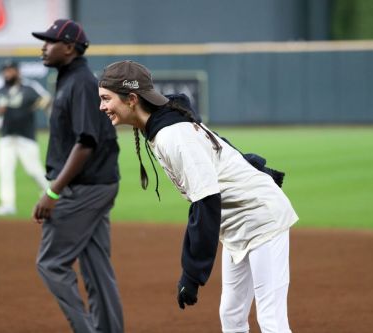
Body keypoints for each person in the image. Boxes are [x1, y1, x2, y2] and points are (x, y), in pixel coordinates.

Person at [98, 60, 299, 333]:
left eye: (106, 98)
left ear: (132, 99)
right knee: (232, 314)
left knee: (271, 320)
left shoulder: (172, 135)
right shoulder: (162, 125)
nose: (102, 106)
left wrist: (191, 274)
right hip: (236, 224)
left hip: (261, 218)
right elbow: (218, 148)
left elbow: (205, 203)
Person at [31, 19, 124, 333]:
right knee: (96, 265)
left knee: (51, 264)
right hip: (97, 183)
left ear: (69, 47)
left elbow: (86, 142)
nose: (43, 46)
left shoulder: (80, 82)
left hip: (85, 187)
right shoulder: (71, 79)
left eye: (49, 41)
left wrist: (53, 192)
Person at [0, 60, 50, 216]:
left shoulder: (28, 88)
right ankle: (7, 204)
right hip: (6, 137)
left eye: (10, 70)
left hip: (26, 136)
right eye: (5, 71)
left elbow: (46, 99)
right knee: (5, 170)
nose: (7, 73)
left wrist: (36, 105)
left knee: (34, 170)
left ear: (17, 71)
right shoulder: (1, 91)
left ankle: (50, 195)